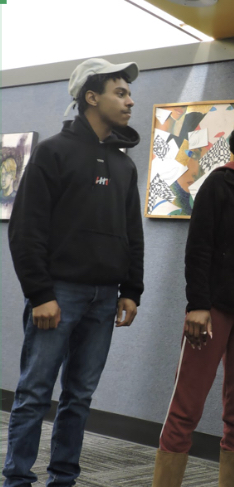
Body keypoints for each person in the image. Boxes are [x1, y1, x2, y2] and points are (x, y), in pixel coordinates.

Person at [3, 58, 144, 487]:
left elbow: (132, 234)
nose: (129, 100)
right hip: (58, 294)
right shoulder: (53, 152)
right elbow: (26, 230)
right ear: (90, 96)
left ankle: (63, 478)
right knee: (34, 395)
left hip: (105, 298)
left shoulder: (124, 164)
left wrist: (131, 290)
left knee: (79, 398)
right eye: (119, 92)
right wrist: (41, 293)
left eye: (129, 93)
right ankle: (17, 480)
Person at [151, 115, 234, 487]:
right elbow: (198, 250)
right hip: (212, 313)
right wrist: (197, 305)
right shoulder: (219, 185)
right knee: (187, 408)